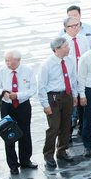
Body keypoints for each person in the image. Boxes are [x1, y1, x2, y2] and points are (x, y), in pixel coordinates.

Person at [37, 37, 78, 169]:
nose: (69, 49)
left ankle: (62, 150)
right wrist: (45, 105)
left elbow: (73, 78)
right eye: (66, 46)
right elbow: (42, 86)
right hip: (53, 97)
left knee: (66, 124)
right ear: (57, 49)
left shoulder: (70, 60)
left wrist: (74, 95)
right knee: (54, 126)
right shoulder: (47, 64)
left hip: (67, 95)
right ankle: (48, 154)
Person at [0, 50, 37, 173]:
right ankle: (12, 164)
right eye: (6, 60)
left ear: (18, 60)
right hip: (7, 106)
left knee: (25, 132)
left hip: (22, 104)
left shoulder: (27, 71)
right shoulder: (2, 71)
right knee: (8, 133)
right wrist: (4, 92)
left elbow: (33, 89)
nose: (7, 63)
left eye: (9, 60)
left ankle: (25, 160)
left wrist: (18, 95)